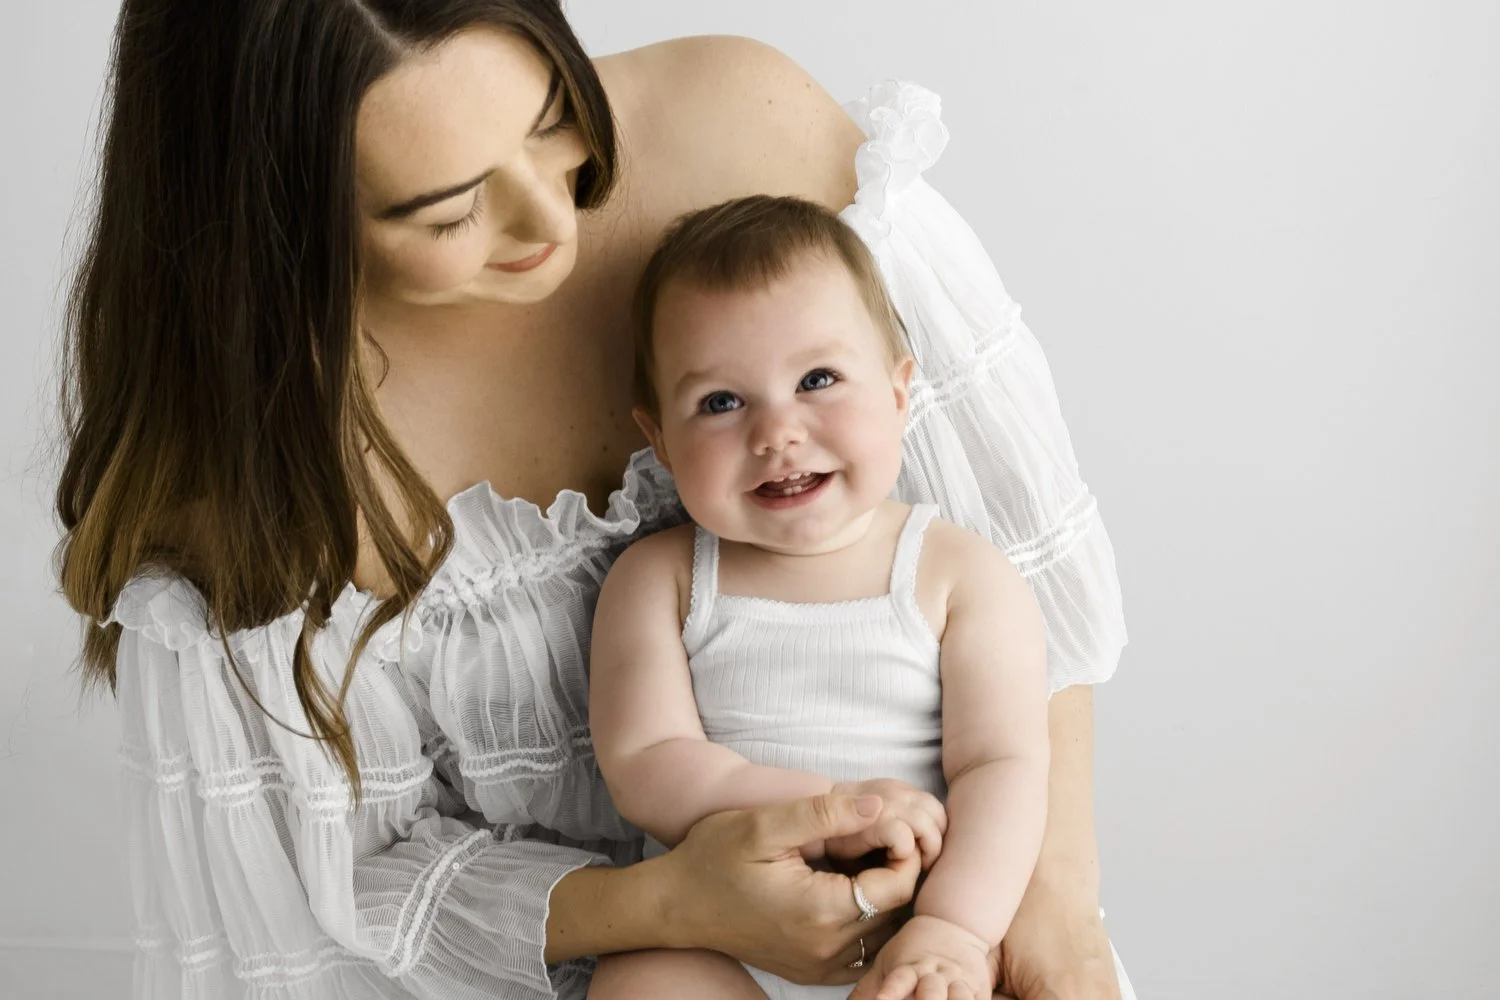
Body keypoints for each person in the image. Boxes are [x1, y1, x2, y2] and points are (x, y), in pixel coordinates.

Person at [54, 2, 1133, 998]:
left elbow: (1027, 593)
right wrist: (682, 897)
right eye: (449, 209)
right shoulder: (247, 463)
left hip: (956, 912)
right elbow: (350, 887)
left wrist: (1034, 913)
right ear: (284, 219)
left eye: (552, 118)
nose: (549, 217)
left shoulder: (743, 127)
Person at [586, 195, 1051, 1000]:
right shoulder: (662, 580)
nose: (777, 432)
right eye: (721, 403)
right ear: (659, 438)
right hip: (731, 928)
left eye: (818, 380)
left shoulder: (957, 574)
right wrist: (831, 809)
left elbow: (1003, 767)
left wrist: (956, 932)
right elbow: (647, 766)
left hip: (921, 921)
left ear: (901, 393)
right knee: (644, 980)